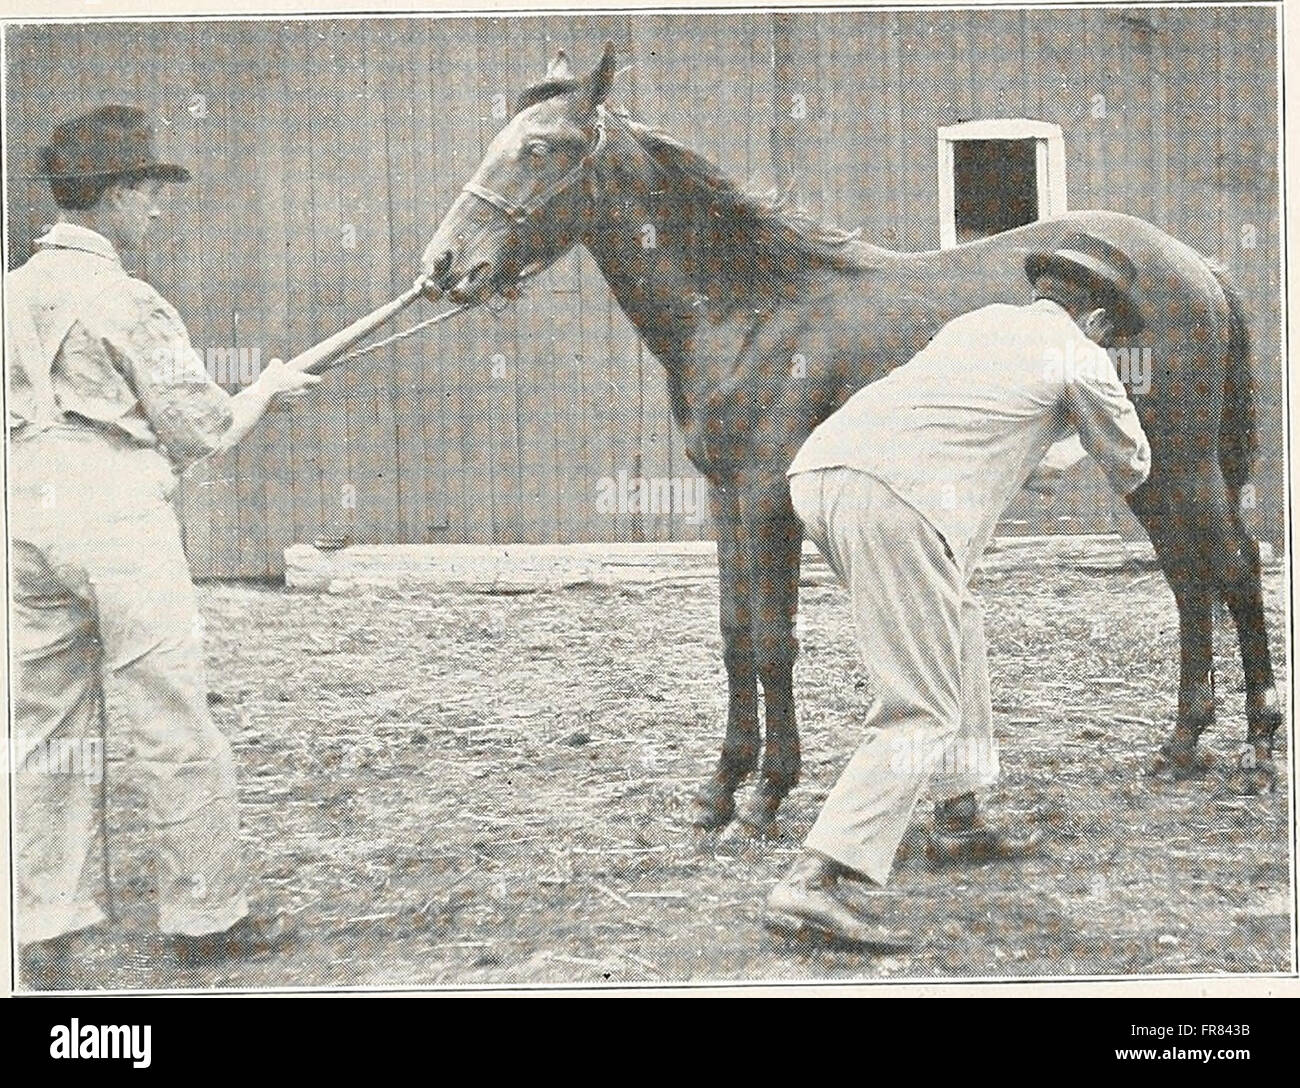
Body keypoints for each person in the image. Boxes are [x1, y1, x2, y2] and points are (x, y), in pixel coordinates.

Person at [765, 233, 1153, 948]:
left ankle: (958, 815)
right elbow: (1131, 465)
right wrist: (1092, 428)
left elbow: (1004, 448)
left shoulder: (977, 326)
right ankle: (813, 879)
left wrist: (1054, 441)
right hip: (897, 500)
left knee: (957, 625)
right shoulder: (1083, 358)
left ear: (1046, 293)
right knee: (921, 708)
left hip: (823, 474)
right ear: (1097, 321)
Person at [7, 105, 321, 987]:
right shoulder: (127, 298)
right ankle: (206, 914)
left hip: (23, 517)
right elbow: (203, 426)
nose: (156, 209)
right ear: (110, 197)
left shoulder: (9, 291)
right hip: (117, 521)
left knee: (42, 730)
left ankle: (44, 921)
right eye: (147, 191)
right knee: (169, 717)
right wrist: (270, 387)